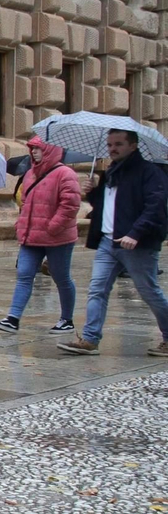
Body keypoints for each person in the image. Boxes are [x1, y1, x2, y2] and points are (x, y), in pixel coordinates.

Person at [58, 129, 168, 357]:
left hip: (137, 244)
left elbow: (155, 207)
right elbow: (108, 208)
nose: (112, 148)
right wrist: (93, 193)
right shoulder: (111, 172)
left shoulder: (149, 172)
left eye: (118, 144)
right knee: (97, 289)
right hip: (108, 242)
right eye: (109, 144)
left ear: (133, 145)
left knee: (149, 291)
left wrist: (135, 233)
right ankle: (89, 339)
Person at [0, 136, 80, 335]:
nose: (33, 152)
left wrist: (53, 227)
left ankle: (67, 319)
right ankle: (12, 319)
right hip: (31, 237)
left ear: (50, 150)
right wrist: (21, 225)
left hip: (57, 238)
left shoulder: (65, 174)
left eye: (38, 148)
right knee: (24, 275)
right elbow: (26, 203)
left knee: (61, 277)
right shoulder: (30, 174)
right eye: (32, 149)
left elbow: (70, 206)